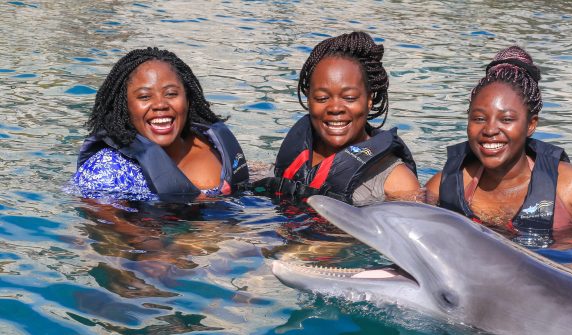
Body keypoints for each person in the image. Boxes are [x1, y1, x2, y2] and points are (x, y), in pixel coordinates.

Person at [425, 46, 572, 244]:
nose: (490, 130)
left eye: (506, 119)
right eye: (479, 118)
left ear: (531, 124)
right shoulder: (440, 188)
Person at [253, 31, 420, 205]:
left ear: (369, 99)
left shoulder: (397, 182)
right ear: (309, 99)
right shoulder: (298, 152)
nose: (335, 108)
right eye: (322, 98)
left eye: (349, 98)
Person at [73, 47, 249, 201]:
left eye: (171, 94)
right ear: (125, 107)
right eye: (144, 96)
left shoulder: (211, 143)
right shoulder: (107, 170)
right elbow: (107, 233)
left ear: (188, 99)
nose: (160, 104)